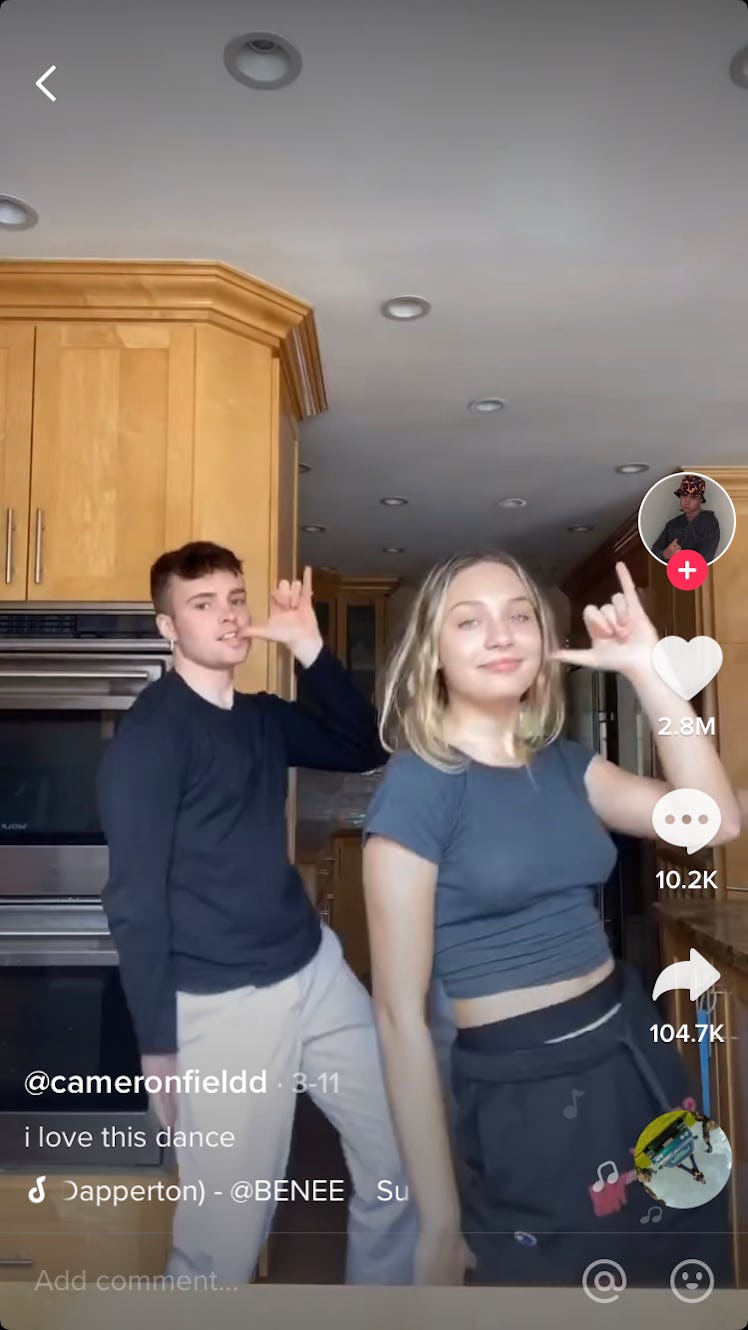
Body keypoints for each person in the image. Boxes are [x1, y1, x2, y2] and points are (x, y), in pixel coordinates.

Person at [361, 550, 741, 1286]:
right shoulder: (418, 787)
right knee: (557, 1292)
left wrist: (645, 671)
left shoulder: (568, 766)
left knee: (689, 1270)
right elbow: (399, 1019)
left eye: (519, 614)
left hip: (632, 1049)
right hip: (527, 1088)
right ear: (431, 654)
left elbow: (714, 821)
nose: (501, 634)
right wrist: (438, 1220)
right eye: (469, 621)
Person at [97, 541, 415, 1286]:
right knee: (225, 1232)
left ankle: (386, 1305)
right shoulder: (150, 739)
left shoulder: (261, 718)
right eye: (202, 604)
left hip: (313, 967)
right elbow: (135, 903)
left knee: (400, 1150)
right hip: (223, 1003)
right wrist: (158, 1045)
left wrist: (309, 646)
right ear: (167, 629)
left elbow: (363, 745)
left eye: (235, 598)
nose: (229, 616)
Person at [651, 475, 721, 563]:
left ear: (700, 500)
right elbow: (654, 552)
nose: (687, 501)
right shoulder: (672, 524)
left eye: (693, 497)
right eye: (684, 495)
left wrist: (682, 556)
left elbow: (706, 559)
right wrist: (665, 554)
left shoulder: (709, 523)